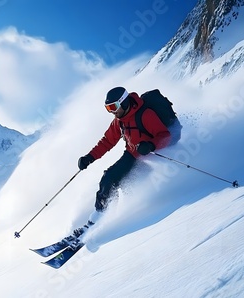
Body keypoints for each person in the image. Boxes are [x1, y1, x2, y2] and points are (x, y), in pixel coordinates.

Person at [72, 86, 174, 239]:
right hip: (132, 154)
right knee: (109, 178)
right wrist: (89, 157)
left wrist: (151, 145)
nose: (112, 111)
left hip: (152, 155)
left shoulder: (145, 114)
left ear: (124, 102)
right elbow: (107, 142)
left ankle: (129, 218)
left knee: (132, 185)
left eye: (113, 107)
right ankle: (100, 215)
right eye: (108, 108)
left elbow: (165, 136)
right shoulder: (119, 121)